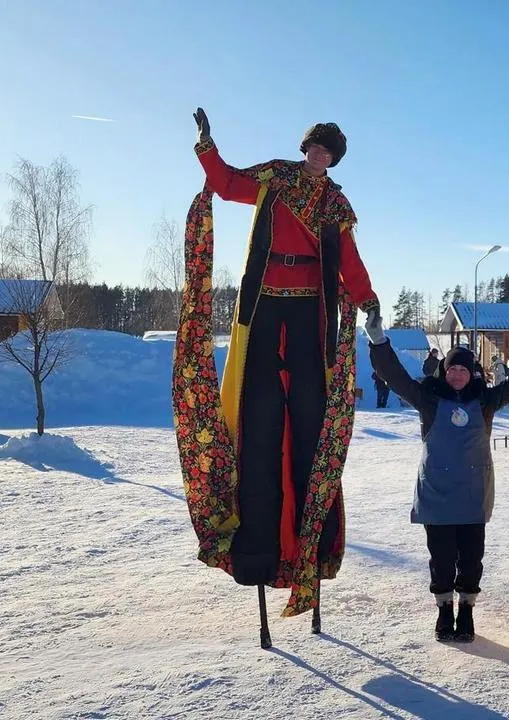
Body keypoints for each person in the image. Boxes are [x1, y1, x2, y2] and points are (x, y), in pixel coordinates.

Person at [177, 108, 380, 632]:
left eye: (327, 153)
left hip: (312, 309)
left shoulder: (335, 204)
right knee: (259, 419)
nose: (318, 157)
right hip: (264, 305)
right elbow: (224, 184)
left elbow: (349, 262)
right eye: (314, 147)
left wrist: (368, 298)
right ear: (304, 147)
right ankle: (257, 550)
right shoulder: (275, 179)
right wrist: (207, 145)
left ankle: (311, 547)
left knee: (311, 422)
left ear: (334, 161)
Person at [366, 313, 509, 642]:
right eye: (452, 369)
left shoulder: (486, 400)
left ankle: (466, 611)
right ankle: (444, 610)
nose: (458, 374)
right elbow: (396, 377)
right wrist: (379, 342)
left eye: (463, 369)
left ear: (472, 372)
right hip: (437, 493)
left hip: (473, 494)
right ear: (444, 372)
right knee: (442, 559)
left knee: (471, 559)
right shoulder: (429, 400)